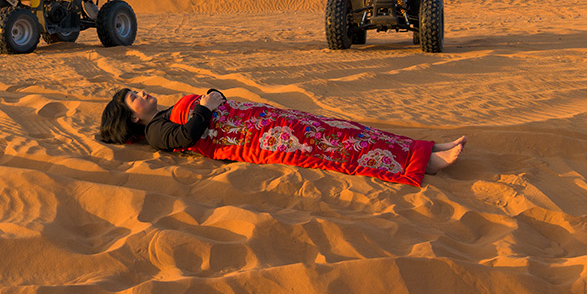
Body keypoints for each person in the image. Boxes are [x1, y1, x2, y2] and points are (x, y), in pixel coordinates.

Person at [99, 87, 465, 187]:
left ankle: (422, 148)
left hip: (261, 119)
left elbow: (204, 105)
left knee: (339, 128)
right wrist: (207, 106)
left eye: (139, 90)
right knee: (333, 147)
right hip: (260, 138)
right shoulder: (157, 131)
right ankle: (422, 165)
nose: (144, 93)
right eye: (135, 97)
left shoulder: (161, 115)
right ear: (132, 117)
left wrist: (210, 97)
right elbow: (188, 135)